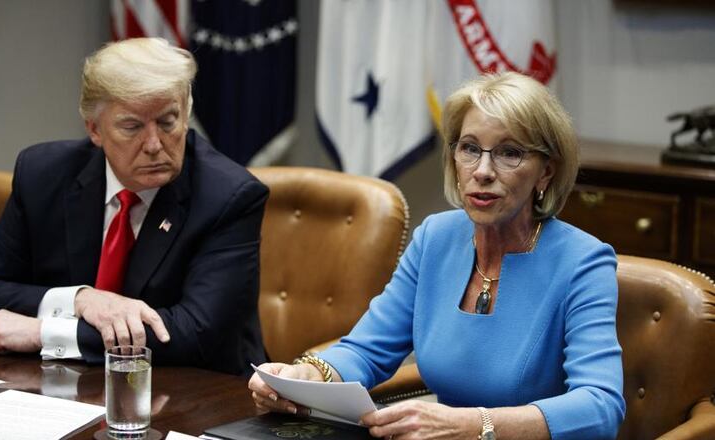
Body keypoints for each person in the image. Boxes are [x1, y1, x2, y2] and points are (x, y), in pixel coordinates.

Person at [249, 72, 625, 439]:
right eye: (470, 148)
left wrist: (476, 426)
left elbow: (600, 406)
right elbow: (366, 349)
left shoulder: (583, 262)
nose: (482, 171)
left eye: (510, 153)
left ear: (546, 172)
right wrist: (307, 376)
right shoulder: (435, 238)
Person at [0, 37, 268, 375]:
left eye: (168, 122)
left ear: (186, 111)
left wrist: (47, 332)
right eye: (132, 126)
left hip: (199, 394)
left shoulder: (228, 196)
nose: (154, 144)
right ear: (94, 129)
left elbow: (197, 333)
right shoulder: (43, 174)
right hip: (68, 388)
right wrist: (80, 300)